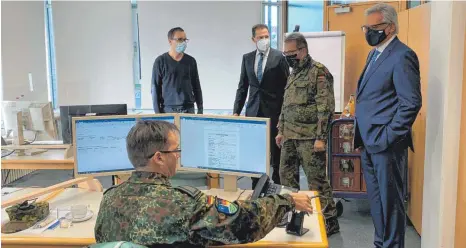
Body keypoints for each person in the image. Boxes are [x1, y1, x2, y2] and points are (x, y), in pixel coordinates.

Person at [95, 120, 314, 247]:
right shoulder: (183, 204)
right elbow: (246, 223)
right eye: (176, 150)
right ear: (159, 157)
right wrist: (287, 201)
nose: (179, 156)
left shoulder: (109, 198)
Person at [353, 3, 422, 248]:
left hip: (386, 144)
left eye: (374, 27)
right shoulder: (375, 54)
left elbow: (411, 103)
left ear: (390, 27)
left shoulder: (403, 55)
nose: (368, 32)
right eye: (366, 27)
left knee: (391, 204)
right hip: (369, 142)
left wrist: (388, 136)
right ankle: (381, 243)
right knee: (377, 202)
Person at [276, 32, 339, 236]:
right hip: (290, 137)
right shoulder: (293, 73)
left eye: (291, 53)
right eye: (285, 53)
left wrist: (321, 138)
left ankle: (329, 220)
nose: (287, 57)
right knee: (286, 179)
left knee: (317, 181)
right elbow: (286, 104)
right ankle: (292, 216)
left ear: (303, 50)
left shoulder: (318, 72)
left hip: (310, 138)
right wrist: (280, 130)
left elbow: (325, 108)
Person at [233, 24, 289, 187]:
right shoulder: (247, 58)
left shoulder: (279, 57)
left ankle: (278, 190)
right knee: (255, 155)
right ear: (253, 39)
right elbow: (243, 86)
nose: (264, 40)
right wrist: (236, 111)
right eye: (260, 37)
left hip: (274, 113)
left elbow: (287, 86)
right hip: (253, 113)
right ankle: (257, 189)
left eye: (266, 36)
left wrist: (284, 116)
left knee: (276, 155)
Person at [151, 27, 203, 114]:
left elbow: (196, 86)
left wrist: (200, 109)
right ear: (170, 41)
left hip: (188, 109)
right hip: (168, 109)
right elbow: (155, 88)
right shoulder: (160, 61)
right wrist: (158, 114)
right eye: (179, 39)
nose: (182, 42)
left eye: (184, 40)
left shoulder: (191, 61)